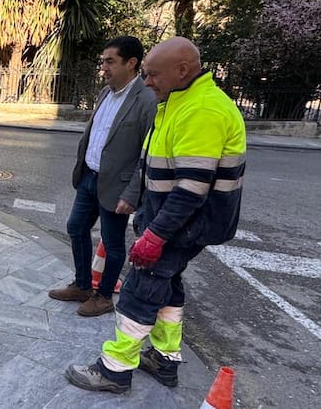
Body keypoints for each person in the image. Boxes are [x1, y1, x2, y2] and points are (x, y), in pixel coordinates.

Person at [66, 37, 245, 394]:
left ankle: (114, 370)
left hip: (181, 226)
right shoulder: (179, 101)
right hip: (175, 223)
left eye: (153, 75)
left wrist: (155, 235)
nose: (147, 82)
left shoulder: (202, 111)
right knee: (167, 288)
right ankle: (164, 360)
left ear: (182, 70)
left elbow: (192, 187)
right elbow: (154, 164)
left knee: (139, 291)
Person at [48, 36, 156, 317]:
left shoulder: (146, 100)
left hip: (117, 187)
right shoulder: (105, 93)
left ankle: (104, 296)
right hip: (89, 177)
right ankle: (83, 286)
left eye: (110, 62)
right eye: (103, 61)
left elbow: (147, 154)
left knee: (112, 241)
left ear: (131, 63)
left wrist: (132, 193)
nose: (104, 68)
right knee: (76, 227)